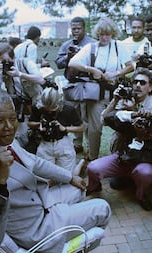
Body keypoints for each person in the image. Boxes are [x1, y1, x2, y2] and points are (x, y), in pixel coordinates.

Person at [0, 89, 110, 253]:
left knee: (78, 189)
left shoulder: (2, 140)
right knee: (103, 209)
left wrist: (70, 177)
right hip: (34, 229)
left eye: (13, 118)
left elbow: (35, 162)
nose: (9, 127)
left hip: (39, 203)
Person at [68, 17, 133, 161]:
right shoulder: (91, 47)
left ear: (112, 34)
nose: (104, 37)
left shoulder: (119, 46)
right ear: (97, 34)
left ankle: (120, 155)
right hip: (96, 93)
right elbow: (72, 63)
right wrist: (91, 69)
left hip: (116, 92)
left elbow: (130, 66)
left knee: (121, 124)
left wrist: (116, 73)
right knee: (95, 127)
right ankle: (93, 158)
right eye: (101, 34)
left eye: (107, 34)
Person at [86, 107, 152, 211]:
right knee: (93, 168)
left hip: (140, 165)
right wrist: (132, 114)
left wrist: (139, 138)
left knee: (145, 172)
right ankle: (94, 186)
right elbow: (107, 119)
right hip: (122, 161)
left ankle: (141, 196)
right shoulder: (139, 124)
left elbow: (138, 159)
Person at [55, 17, 96, 153]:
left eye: (78, 28)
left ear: (84, 28)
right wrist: (68, 57)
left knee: (88, 117)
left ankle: (90, 146)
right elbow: (58, 63)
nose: (76, 31)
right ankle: (77, 144)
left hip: (87, 84)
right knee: (73, 115)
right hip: (72, 85)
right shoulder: (67, 45)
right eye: (73, 29)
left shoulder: (92, 44)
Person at [0, 43, 45, 147]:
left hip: (36, 104)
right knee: (22, 136)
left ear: (14, 57)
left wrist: (20, 74)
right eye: (1, 62)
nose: (5, 64)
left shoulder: (25, 63)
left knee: (39, 134)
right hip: (20, 108)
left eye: (6, 61)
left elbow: (40, 79)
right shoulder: (2, 72)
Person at [28, 87, 83, 172]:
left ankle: (80, 165)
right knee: (45, 176)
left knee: (67, 175)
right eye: (46, 109)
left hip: (62, 142)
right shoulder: (37, 107)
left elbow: (81, 128)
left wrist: (65, 129)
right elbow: (30, 123)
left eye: (53, 109)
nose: (49, 112)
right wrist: (40, 124)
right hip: (45, 143)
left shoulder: (68, 109)